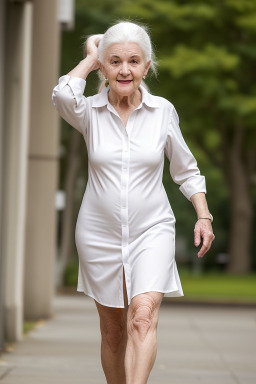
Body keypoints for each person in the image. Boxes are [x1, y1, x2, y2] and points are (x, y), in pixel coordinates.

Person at [52, 21, 215, 384]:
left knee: (142, 316)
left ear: (146, 66)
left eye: (133, 61)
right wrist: (92, 58)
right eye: (114, 61)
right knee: (113, 332)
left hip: (152, 229)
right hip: (99, 234)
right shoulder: (88, 113)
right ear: (104, 68)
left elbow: (187, 171)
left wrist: (203, 216)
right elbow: (62, 95)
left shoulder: (163, 113)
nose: (124, 69)